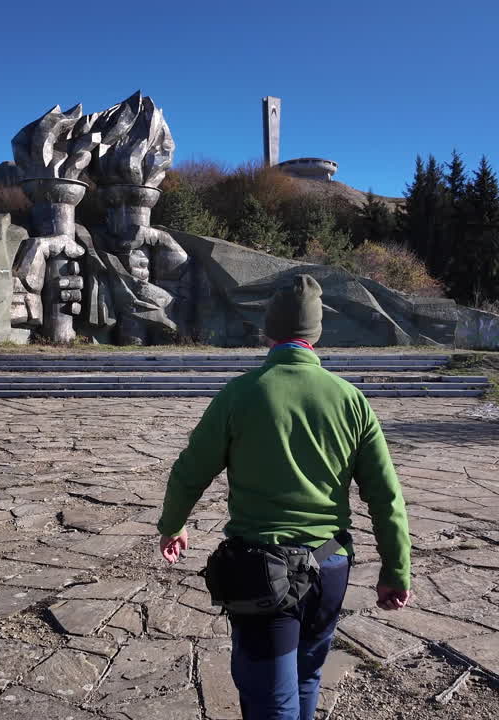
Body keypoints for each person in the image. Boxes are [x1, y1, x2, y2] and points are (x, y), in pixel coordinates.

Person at [157, 273, 412, 720]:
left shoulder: (240, 393)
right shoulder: (352, 400)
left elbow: (189, 473)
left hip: (263, 571)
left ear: (269, 331)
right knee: (307, 676)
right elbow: (386, 495)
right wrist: (396, 569)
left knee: (270, 697)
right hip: (330, 560)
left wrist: (172, 525)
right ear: (315, 334)